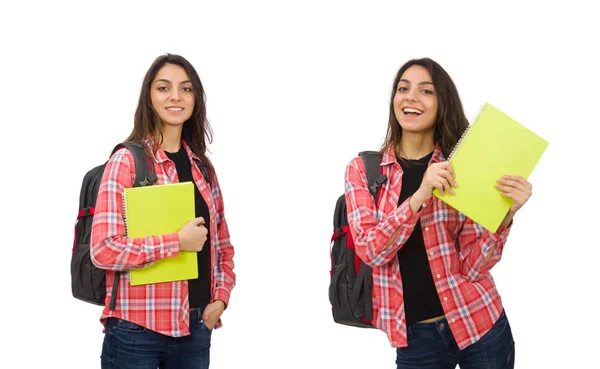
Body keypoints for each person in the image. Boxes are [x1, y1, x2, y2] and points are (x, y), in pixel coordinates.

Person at [344, 57, 531, 369]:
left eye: (426, 91)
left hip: (479, 323)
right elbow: (370, 250)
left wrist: (505, 216)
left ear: (442, 103)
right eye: (403, 88)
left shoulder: (463, 170)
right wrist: (420, 194)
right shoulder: (364, 170)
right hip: (416, 339)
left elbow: (473, 268)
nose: (411, 97)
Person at [91, 53, 236, 369]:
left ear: (195, 99)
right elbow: (103, 250)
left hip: (196, 327)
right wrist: (176, 242)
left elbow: (222, 247)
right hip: (135, 331)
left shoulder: (203, 168)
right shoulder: (126, 163)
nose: (175, 97)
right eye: (163, 88)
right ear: (149, 98)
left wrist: (220, 300)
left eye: (186, 89)